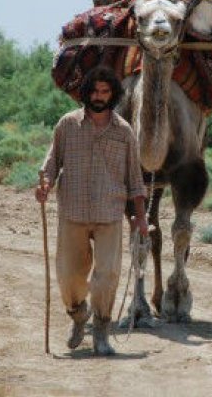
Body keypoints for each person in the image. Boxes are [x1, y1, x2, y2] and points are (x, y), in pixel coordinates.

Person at [35, 66, 148, 356]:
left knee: (107, 275)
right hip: (73, 211)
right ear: (87, 93)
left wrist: (140, 218)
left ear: (113, 94)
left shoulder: (124, 132)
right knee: (69, 276)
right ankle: (78, 315)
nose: (99, 96)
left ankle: (101, 332)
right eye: (95, 91)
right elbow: (51, 162)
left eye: (105, 91)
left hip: (109, 212)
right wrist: (45, 185)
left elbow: (135, 179)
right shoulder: (67, 125)